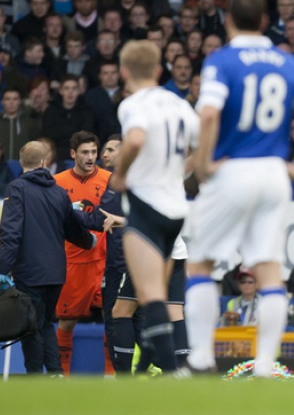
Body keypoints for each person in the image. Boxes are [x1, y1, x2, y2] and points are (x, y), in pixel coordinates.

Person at [183, 0, 294, 378]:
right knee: (269, 272)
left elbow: (210, 112)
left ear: (228, 20)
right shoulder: (288, 62)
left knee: (200, 263)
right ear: (265, 21)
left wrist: (203, 164)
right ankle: (265, 364)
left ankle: (200, 359)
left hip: (233, 170)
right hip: (273, 174)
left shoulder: (222, 60)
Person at [109, 39, 199, 374]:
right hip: (177, 213)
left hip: (147, 208)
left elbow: (134, 139)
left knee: (148, 298)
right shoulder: (179, 105)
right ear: (160, 70)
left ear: (123, 72)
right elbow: (203, 148)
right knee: (157, 299)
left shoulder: (133, 104)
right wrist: (181, 169)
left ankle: (177, 373)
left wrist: (121, 174)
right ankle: (153, 368)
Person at [0, 141, 95, 375]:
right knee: (46, 324)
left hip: (30, 272)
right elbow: (72, 228)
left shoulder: (17, 189)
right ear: (44, 162)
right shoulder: (59, 192)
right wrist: (89, 241)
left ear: (21, 162)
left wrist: (2, 268)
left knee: (31, 328)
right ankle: (56, 373)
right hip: (56, 273)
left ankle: (35, 379)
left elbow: (11, 233)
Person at [54, 130, 111, 376]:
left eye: (94, 152)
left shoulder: (110, 180)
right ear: (73, 154)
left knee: (114, 319)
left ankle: (112, 376)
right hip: (72, 263)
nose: (90, 157)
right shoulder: (57, 182)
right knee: (66, 322)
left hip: (105, 262)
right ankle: (61, 375)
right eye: (85, 152)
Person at [0, 87, 41, 160]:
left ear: (20, 101)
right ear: (2, 101)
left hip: (24, 168)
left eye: (15, 99)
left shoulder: (30, 123)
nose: (11, 102)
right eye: (8, 99)